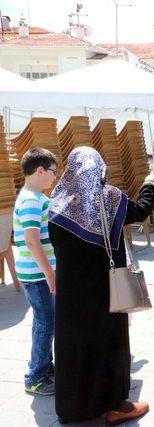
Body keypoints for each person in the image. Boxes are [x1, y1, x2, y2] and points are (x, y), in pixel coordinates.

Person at [49, 147, 154, 424]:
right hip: (105, 292)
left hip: (70, 297)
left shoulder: (57, 202)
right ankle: (115, 406)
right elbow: (141, 211)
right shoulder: (110, 198)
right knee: (109, 345)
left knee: (74, 346)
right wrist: (151, 182)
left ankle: (74, 408)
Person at [13, 148, 58, 396]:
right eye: (52, 172)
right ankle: (36, 376)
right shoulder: (31, 200)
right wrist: (50, 273)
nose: (54, 178)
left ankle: (45, 366)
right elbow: (32, 241)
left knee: (44, 321)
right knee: (45, 322)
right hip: (37, 275)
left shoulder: (35, 196)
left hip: (38, 273)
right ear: (40, 170)